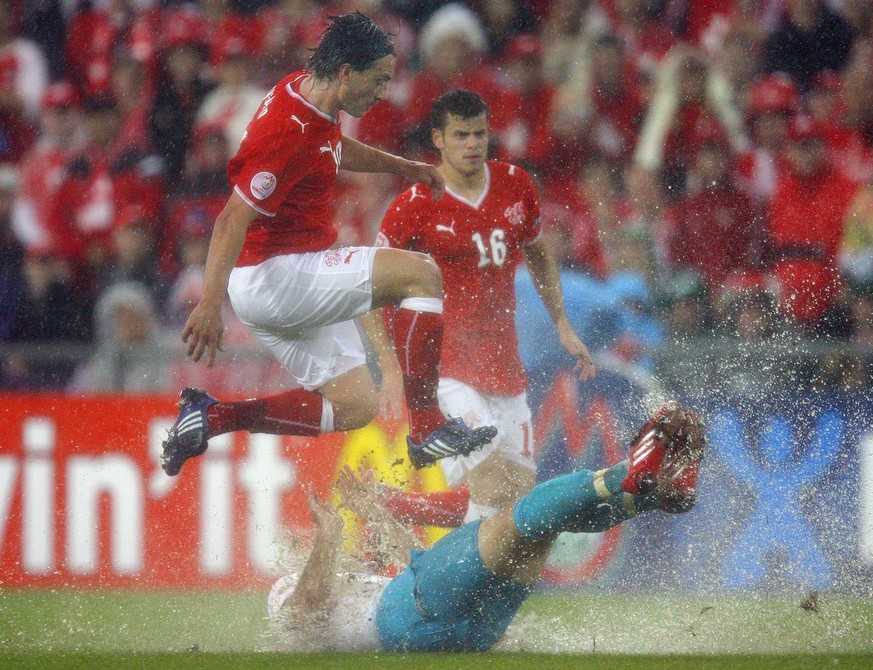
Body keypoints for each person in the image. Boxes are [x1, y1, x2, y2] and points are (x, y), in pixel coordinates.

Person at [161, 13, 497, 478]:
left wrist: (407, 167)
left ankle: (215, 416)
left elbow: (331, 146)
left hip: (282, 278)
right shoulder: (286, 131)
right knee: (422, 273)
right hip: (276, 274)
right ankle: (426, 426)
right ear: (346, 73)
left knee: (354, 406)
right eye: (377, 81)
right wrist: (209, 304)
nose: (382, 93)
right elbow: (230, 219)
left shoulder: (308, 91)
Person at [268, 402, 706, 652]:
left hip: (466, 633)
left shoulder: (354, 600)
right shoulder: (288, 599)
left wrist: (378, 512)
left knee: (542, 529)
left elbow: (407, 567)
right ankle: (627, 476)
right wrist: (328, 537)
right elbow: (302, 613)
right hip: (408, 614)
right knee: (527, 512)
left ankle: (649, 497)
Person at [364, 89, 594, 526]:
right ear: (439, 140)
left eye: (479, 134)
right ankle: (436, 576)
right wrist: (391, 367)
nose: (472, 144)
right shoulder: (414, 205)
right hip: (445, 371)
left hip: (505, 369)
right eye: (461, 135)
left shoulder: (515, 185)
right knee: (491, 484)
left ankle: (394, 509)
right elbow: (367, 290)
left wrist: (562, 324)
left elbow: (538, 253)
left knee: (516, 510)